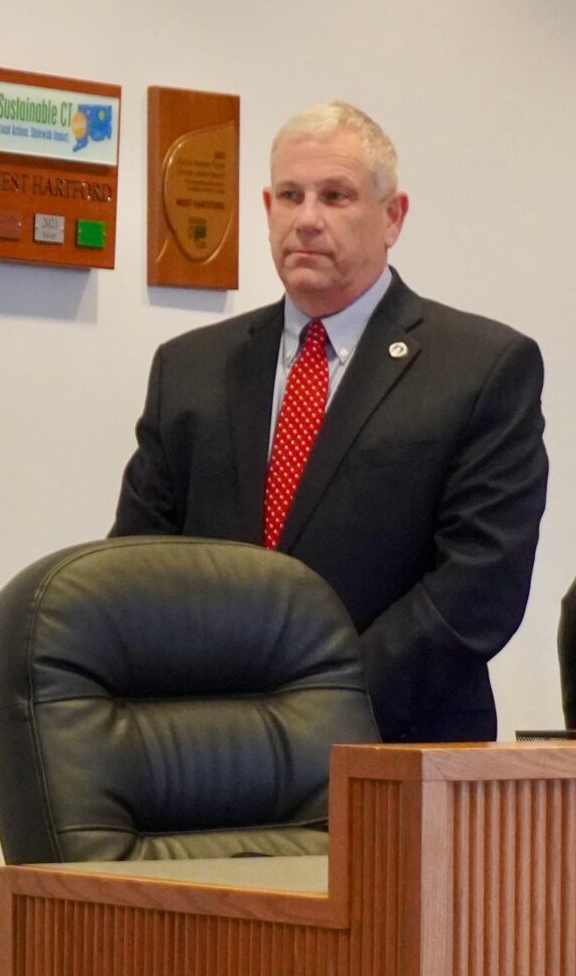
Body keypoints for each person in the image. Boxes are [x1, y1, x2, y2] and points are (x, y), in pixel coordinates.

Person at [111, 101, 546, 743]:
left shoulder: (481, 368)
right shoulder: (190, 369)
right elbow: (135, 568)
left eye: (335, 196)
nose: (307, 220)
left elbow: (479, 586)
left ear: (392, 217)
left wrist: (318, 706)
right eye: (290, 195)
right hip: (209, 750)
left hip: (396, 745)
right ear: (267, 209)